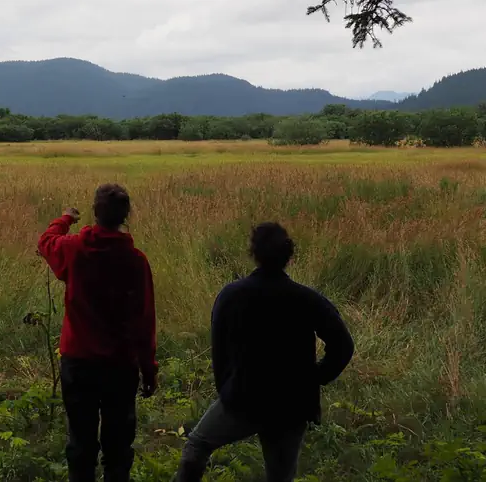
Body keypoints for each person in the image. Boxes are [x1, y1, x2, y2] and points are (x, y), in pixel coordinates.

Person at [174, 222, 354, 482]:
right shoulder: (306, 299)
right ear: (289, 257)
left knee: (197, 447)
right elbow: (343, 345)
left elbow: (220, 351)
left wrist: (228, 388)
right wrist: (314, 377)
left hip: (244, 398)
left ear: (253, 253)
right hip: (291, 404)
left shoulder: (231, 296)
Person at [38, 183, 158, 482]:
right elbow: (144, 320)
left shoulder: (74, 249)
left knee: (81, 441)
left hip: (78, 362)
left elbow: (46, 242)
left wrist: (65, 218)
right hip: (121, 365)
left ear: (95, 212)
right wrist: (149, 368)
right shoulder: (136, 261)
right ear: (126, 215)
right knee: (118, 445)